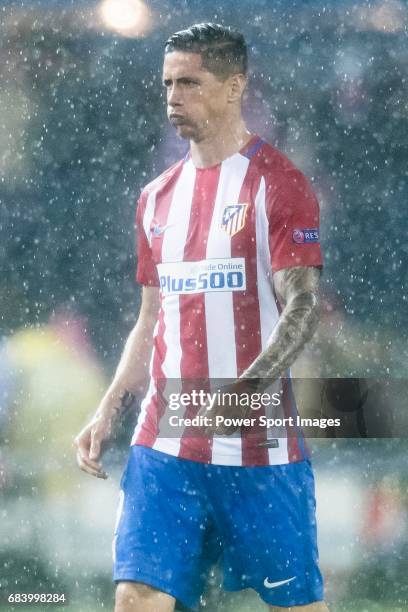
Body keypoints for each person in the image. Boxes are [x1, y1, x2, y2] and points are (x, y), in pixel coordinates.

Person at [75, 23, 329, 612]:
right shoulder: (156, 197)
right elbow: (150, 318)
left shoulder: (279, 184)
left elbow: (303, 303)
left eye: (189, 83)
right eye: (167, 84)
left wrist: (245, 389)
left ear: (235, 85)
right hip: (165, 441)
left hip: (258, 449)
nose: (173, 98)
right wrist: (109, 405)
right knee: (136, 599)